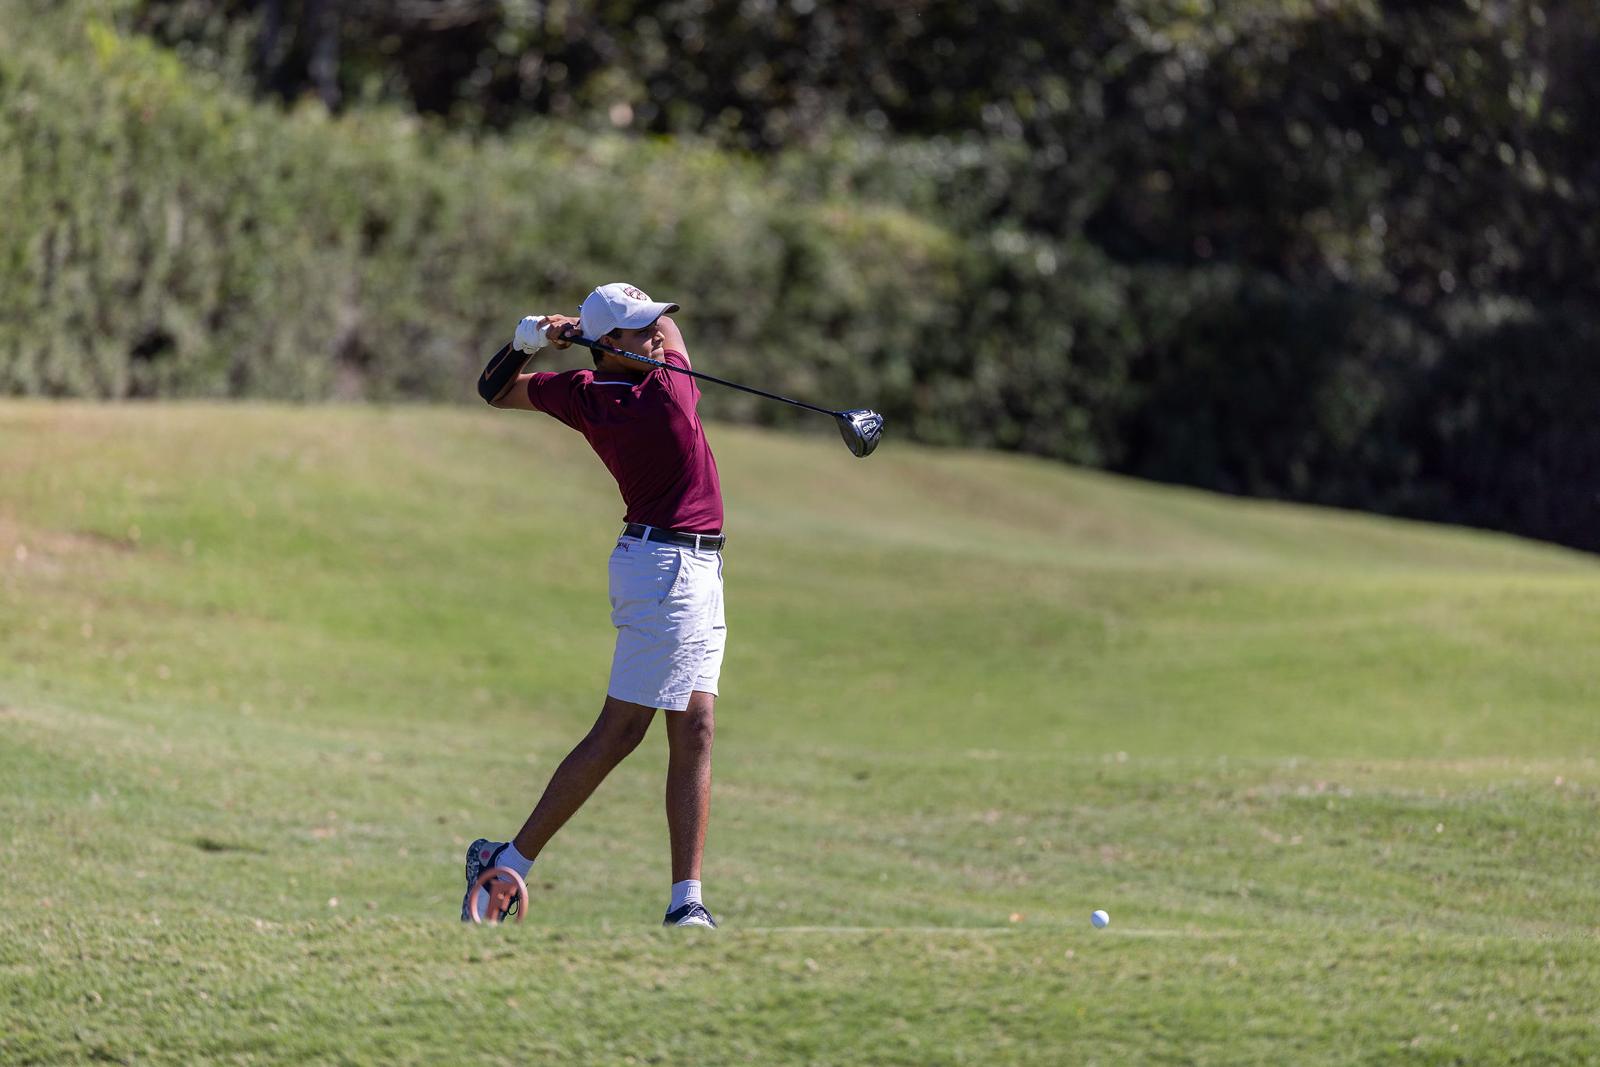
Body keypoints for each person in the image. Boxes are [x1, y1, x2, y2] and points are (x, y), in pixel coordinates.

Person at [463, 282, 725, 928]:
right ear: (612, 346)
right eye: (642, 330)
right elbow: (681, 345)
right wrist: (579, 328)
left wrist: (532, 338)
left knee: (694, 727)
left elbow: (494, 390)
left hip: (684, 567)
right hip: (669, 571)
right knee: (622, 731)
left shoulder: (584, 391)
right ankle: (509, 861)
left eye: (655, 325)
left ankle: (685, 900)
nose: (659, 335)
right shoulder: (667, 392)